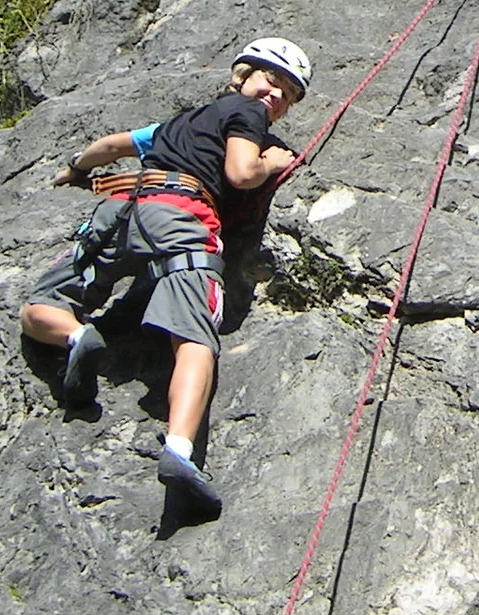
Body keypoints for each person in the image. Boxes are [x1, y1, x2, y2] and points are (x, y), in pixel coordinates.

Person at [20, 37, 311, 512]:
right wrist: (270, 161)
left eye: (287, 95)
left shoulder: (176, 125)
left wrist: (76, 169)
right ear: (242, 77)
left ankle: (74, 337)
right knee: (195, 337)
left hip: (123, 209)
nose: (274, 95)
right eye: (270, 81)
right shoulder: (248, 114)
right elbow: (240, 174)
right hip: (184, 219)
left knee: (39, 305)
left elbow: (112, 146)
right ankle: (178, 451)